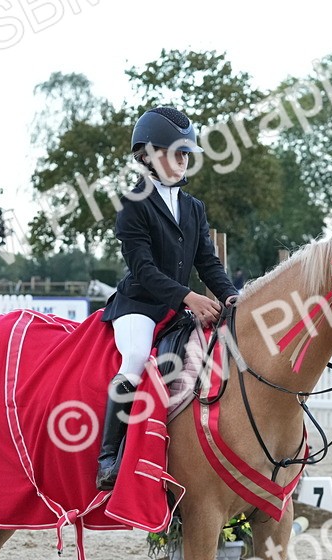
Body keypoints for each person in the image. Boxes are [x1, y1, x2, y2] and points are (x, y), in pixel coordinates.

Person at [95, 106, 239, 490]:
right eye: (175, 152)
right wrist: (189, 297)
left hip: (178, 308)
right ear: (147, 156)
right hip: (140, 305)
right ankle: (109, 457)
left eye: (185, 153)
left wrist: (230, 296)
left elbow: (208, 263)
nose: (182, 160)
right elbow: (143, 270)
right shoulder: (132, 202)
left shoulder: (194, 208)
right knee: (137, 359)